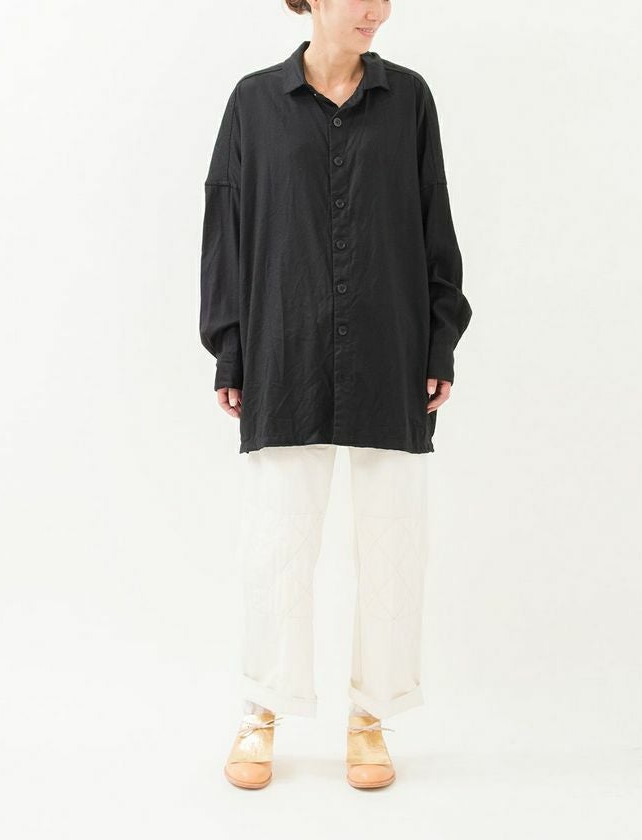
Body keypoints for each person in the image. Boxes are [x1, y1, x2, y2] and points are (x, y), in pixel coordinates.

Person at [199, 0, 472, 791]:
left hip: (391, 346)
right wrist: (231, 348)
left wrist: (440, 339)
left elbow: (434, 217)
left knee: (393, 542)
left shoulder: (409, 98)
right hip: (284, 349)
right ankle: (262, 709)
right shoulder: (254, 102)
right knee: (277, 540)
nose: (378, 10)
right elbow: (226, 228)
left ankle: (370, 715)